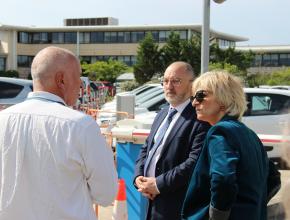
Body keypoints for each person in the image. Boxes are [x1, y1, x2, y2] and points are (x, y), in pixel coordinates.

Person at [0, 46, 118, 220]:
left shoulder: (3, 119)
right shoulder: (81, 126)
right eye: (78, 77)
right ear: (61, 80)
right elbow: (106, 193)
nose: (80, 85)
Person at [181, 71, 280, 220]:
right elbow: (273, 178)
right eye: (193, 97)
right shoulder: (249, 134)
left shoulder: (220, 131)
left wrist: (218, 216)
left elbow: (223, 179)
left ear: (223, 99)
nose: (195, 102)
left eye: (201, 95)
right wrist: (250, 206)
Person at [134, 61, 210, 220]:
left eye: (176, 81)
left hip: (176, 207)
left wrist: (158, 185)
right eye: (165, 81)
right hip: (151, 203)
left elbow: (194, 162)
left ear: (192, 85)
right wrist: (139, 177)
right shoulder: (162, 114)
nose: (169, 86)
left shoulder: (200, 118)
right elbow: (147, 148)